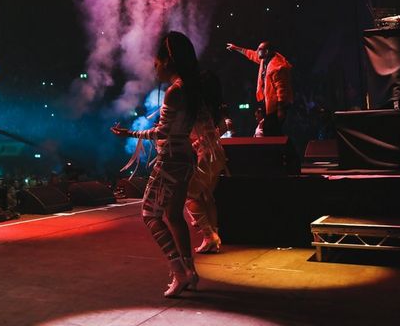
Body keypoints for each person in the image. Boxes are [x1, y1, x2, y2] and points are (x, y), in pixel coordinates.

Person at [111, 31, 201, 298]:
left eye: (157, 62)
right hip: (185, 158)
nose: (155, 67)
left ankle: (179, 271)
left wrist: (132, 134)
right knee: (173, 215)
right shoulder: (191, 88)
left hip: (171, 158)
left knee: (150, 214)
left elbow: (162, 133)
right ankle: (191, 271)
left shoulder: (174, 92)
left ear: (168, 61)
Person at [185, 71, 228, 254]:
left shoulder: (193, 107)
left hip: (207, 156)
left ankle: (209, 235)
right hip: (217, 154)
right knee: (207, 196)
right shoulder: (209, 107)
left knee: (190, 195)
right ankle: (213, 238)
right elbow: (219, 128)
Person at [226, 41, 293, 136]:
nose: (257, 51)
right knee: (271, 131)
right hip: (270, 104)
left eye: (260, 49)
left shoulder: (277, 67)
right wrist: (236, 48)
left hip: (276, 106)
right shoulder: (265, 59)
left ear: (267, 52)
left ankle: (283, 149)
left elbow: (281, 91)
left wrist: (280, 110)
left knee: (272, 132)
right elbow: (250, 54)